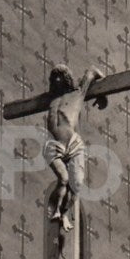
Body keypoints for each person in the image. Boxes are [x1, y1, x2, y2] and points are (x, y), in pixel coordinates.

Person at [44, 64, 107, 231]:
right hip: (54, 145)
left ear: (66, 79)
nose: (57, 79)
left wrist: (103, 94)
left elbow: (92, 71)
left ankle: (64, 213)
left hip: (73, 143)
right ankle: (57, 210)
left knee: (76, 184)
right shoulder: (49, 100)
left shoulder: (77, 93)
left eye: (60, 76)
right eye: (54, 77)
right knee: (63, 179)